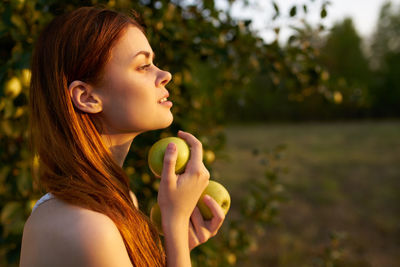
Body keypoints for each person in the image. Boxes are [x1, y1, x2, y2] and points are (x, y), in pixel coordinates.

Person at [19, 6, 225, 267]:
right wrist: (173, 223)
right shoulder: (88, 227)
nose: (165, 75)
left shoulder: (114, 199)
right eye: (143, 65)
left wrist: (178, 247)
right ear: (88, 97)